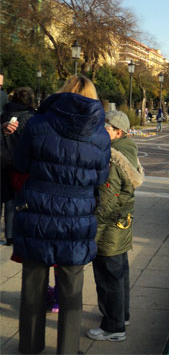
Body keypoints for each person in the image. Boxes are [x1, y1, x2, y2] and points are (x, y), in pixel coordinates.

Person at [13, 75, 111, 354]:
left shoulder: (38, 123)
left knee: (33, 282)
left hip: (37, 208)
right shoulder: (100, 134)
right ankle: (67, 349)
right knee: (71, 286)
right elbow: (101, 177)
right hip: (77, 214)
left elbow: (20, 163)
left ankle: (30, 345)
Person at [87, 110, 144, 342]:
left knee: (108, 276)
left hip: (109, 226)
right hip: (122, 223)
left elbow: (107, 198)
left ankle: (113, 326)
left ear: (117, 132)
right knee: (120, 273)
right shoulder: (129, 150)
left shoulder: (112, 157)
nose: (100, 131)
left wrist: (94, 225)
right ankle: (122, 315)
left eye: (105, 128)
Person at [0, 87, 36, 246]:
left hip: (2, 161)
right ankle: (10, 235)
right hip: (19, 164)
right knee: (13, 201)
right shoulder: (31, 118)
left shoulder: (4, 114)